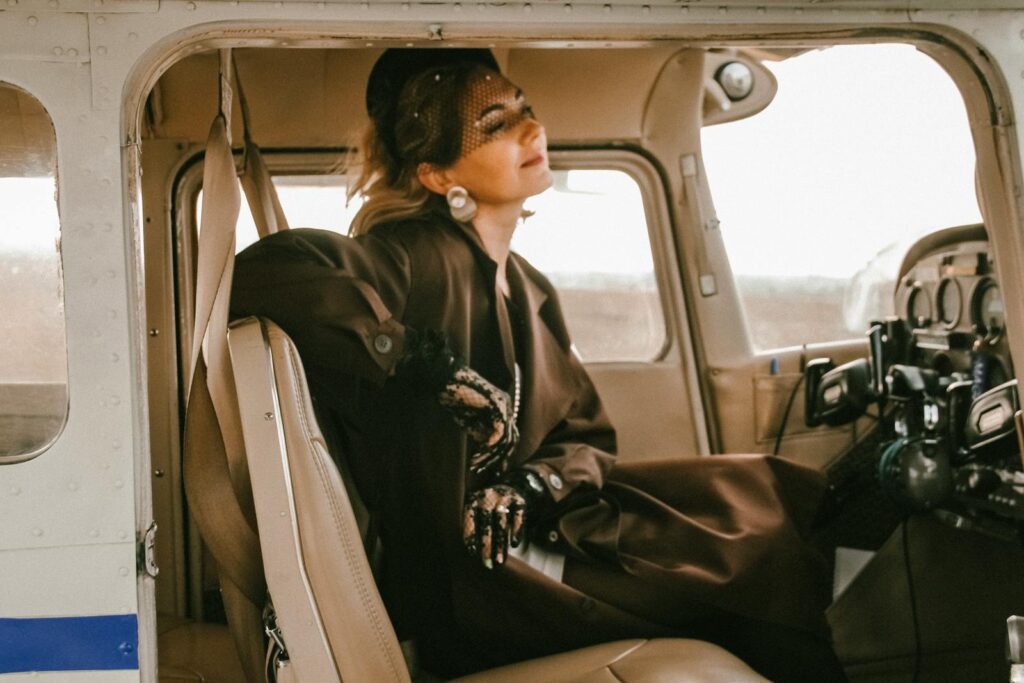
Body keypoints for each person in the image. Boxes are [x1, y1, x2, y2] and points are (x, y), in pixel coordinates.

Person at [230, 48, 847, 681]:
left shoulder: (529, 285)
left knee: (761, 502)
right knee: (748, 597)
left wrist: (531, 484)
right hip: (476, 579)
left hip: (538, 527)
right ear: (440, 176)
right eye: (495, 124)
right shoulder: (407, 258)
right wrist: (424, 363)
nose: (532, 130)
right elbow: (262, 275)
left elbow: (584, 437)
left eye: (525, 109)